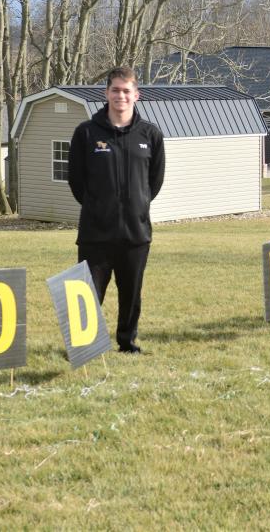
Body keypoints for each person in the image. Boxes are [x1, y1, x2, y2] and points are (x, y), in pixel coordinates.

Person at [68, 66, 165, 354]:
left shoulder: (151, 134)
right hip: (95, 233)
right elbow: (76, 181)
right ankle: (83, 346)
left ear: (137, 95)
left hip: (135, 233)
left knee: (131, 293)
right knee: (88, 292)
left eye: (126, 91)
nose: (120, 95)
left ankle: (127, 341)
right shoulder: (86, 133)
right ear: (106, 93)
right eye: (115, 90)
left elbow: (154, 182)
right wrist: (100, 207)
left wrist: (136, 206)